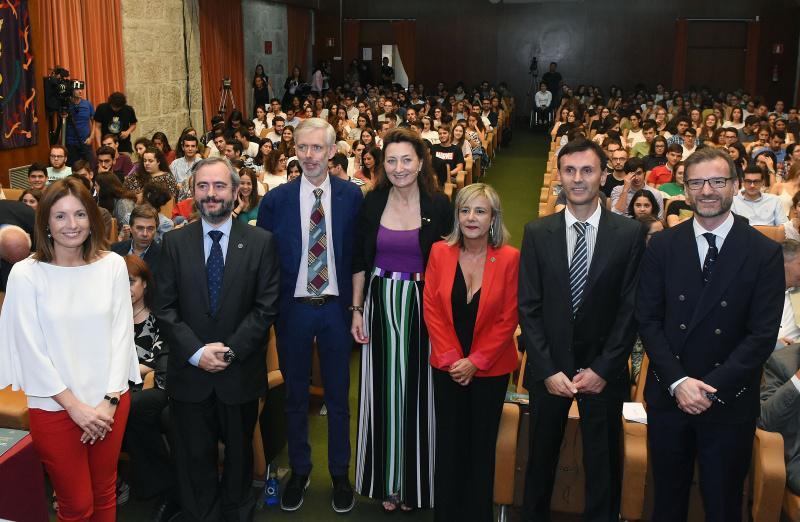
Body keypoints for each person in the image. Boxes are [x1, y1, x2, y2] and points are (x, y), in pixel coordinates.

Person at [636, 146, 785, 522]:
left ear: (734, 185)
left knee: (723, 504)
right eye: (697, 182)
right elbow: (649, 321)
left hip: (729, 400)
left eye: (717, 181)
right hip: (671, 397)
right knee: (666, 503)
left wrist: (708, 387)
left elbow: (762, 334)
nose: (707, 191)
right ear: (684, 190)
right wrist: (679, 382)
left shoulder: (763, 252)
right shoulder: (663, 247)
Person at [519, 138, 645, 522]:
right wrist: (548, 369)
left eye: (587, 170)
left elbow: (631, 310)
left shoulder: (629, 234)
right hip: (550, 372)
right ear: (559, 176)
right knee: (539, 463)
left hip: (603, 374)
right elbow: (529, 307)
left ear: (604, 176)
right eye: (570, 171)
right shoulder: (538, 232)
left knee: (603, 468)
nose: (578, 179)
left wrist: (604, 370)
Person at [0, 177, 140, 521]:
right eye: (60, 216)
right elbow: (29, 349)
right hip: (54, 407)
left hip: (110, 402)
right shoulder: (25, 274)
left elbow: (122, 335)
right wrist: (74, 407)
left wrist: (108, 401)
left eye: (79, 214)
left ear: (92, 219)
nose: (71, 225)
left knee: (105, 493)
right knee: (76, 504)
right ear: (45, 221)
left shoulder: (111, 266)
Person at [154, 156, 280, 521]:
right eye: (203, 186)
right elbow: (165, 308)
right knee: (195, 460)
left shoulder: (261, 242)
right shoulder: (174, 243)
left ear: (237, 191)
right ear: (192, 191)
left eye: (219, 186)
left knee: (240, 459)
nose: (211, 194)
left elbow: (266, 308)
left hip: (238, 374)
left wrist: (229, 352)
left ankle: (238, 513)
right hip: (189, 376)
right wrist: (196, 352)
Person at [256, 118, 363, 514]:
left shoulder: (352, 197)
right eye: (302, 147)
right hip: (293, 311)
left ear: (332, 151)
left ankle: (339, 474)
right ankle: (299, 470)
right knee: (295, 397)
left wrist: (355, 308)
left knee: (338, 397)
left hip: (335, 309)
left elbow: (358, 259)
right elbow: (265, 263)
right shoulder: (276, 201)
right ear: (294, 150)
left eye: (317, 148)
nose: (309, 155)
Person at [351, 127, 451, 513]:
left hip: (424, 306)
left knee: (418, 393)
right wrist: (357, 310)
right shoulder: (372, 201)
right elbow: (360, 258)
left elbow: (448, 266)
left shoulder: (439, 205)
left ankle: (412, 483)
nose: (398, 167)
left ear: (421, 161)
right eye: (391, 160)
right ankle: (384, 483)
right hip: (379, 301)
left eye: (406, 159)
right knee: (380, 392)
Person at [423, 183, 519, 521]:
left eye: (480, 211)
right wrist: (452, 359)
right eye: (465, 210)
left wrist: (475, 361)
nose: (471, 217)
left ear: (493, 217)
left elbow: (509, 317)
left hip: (490, 370)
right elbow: (432, 307)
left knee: (481, 447)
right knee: (448, 444)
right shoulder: (439, 252)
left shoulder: (510, 257)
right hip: (447, 367)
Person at [121, 254, 176, 519]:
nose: (126, 289)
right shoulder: (112, 317)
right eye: (120, 282)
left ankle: (160, 485)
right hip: (118, 384)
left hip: (155, 384)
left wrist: (126, 373)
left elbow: (158, 359)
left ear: (145, 283)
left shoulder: (158, 316)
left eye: (131, 281)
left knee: (129, 406)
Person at [110, 204, 161, 272]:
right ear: (130, 228)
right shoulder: (115, 250)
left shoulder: (163, 256)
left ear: (156, 229)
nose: (145, 234)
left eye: (150, 228)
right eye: (140, 228)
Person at [65, 85, 95, 166]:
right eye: (77, 89)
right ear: (71, 90)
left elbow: (94, 121)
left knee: (91, 165)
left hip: (85, 141)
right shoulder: (66, 105)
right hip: (70, 143)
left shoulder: (87, 104)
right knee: (73, 167)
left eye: (81, 89)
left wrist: (91, 137)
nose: (80, 91)